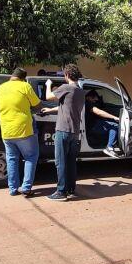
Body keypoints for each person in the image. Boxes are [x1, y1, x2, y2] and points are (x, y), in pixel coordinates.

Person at [41, 64, 85, 201]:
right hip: (74, 132)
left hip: (63, 130)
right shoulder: (80, 91)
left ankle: (61, 192)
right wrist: (49, 111)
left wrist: (48, 84)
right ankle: (71, 189)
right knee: (71, 161)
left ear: (66, 75)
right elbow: (67, 107)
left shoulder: (66, 87)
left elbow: (48, 97)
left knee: (60, 162)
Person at [0, 67, 41, 196]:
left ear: (12, 76)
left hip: (6, 130)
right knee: (31, 157)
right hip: (24, 130)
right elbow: (38, 106)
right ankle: (26, 188)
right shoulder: (24, 86)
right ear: (23, 78)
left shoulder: (1, 88)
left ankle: (12, 189)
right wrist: (31, 110)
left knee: (11, 159)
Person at [85, 90, 120, 158]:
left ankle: (108, 145)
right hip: (92, 126)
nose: (95, 101)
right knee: (115, 125)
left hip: (92, 125)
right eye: (94, 99)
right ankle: (109, 147)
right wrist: (114, 117)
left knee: (110, 124)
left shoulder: (87, 103)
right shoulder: (87, 104)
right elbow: (98, 112)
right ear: (88, 97)